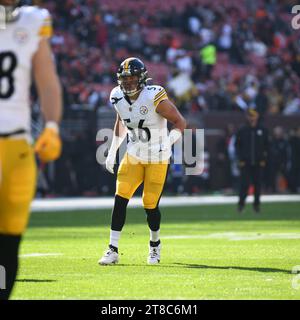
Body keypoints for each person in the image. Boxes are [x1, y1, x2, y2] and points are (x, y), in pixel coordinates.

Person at [0, 0, 62, 300]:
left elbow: (47, 81)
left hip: (17, 146)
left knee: (9, 242)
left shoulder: (32, 20)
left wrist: (52, 125)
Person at [99, 57, 186, 265]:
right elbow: (121, 121)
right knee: (120, 197)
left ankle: (154, 245)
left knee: (150, 203)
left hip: (157, 157)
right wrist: (112, 150)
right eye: (124, 78)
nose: (128, 82)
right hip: (134, 154)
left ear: (142, 78)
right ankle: (112, 249)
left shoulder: (154, 96)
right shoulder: (116, 96)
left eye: (132, 78)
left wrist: (170, 141)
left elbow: (180, 122)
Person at [235, 109, 269, 213]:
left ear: (257, 116)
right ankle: (241, 205)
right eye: (250, 116)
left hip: (258, 163)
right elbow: (237, 146)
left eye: (253, 115)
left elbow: (267, 146)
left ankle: (256, 206)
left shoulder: (263, 129)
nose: (251, 118)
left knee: (257, 185)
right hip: (245, 162)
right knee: (244, 185)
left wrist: (264, 159)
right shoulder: (242, 130)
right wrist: (240, 159)